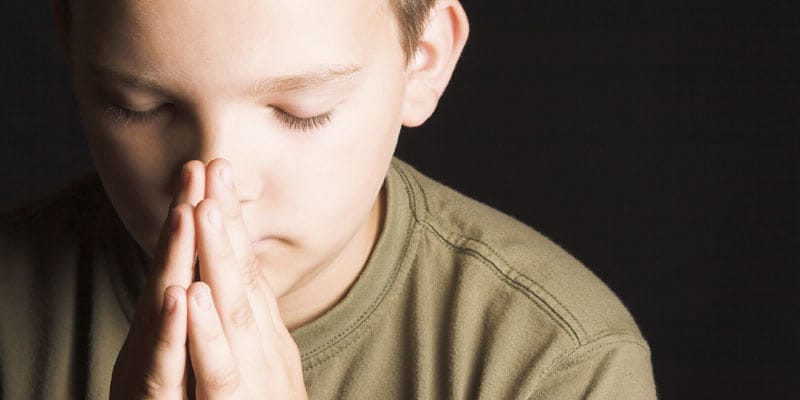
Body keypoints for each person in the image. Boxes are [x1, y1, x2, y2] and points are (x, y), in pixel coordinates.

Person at [0, 0, 657, 398]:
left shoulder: (557, 365)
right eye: (138, 105)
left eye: (301, 111)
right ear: (71, 45)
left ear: (423, 59)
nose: (217, 187)